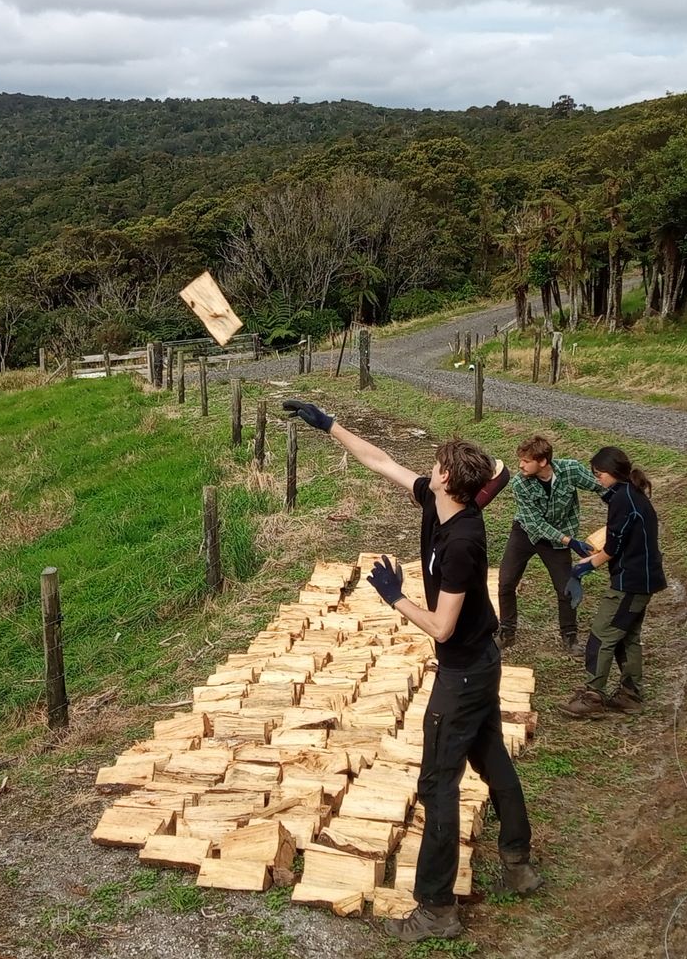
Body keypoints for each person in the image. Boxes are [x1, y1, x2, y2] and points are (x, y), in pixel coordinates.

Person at [280, 399, 541, 941]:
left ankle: (436, 910)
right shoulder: (438, 502)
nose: (427, 467)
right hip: (480, 664)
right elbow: (380, 460)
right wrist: (327, 423)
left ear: (448, 479)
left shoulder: (464, 540)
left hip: (464, 671)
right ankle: (518, 861)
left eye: (436, 463)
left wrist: (395, 598)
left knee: (438, 784)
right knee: (491, 755)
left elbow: (442, 627)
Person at [561, 446, 665, 719]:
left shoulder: (624, 500)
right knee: (626, 636)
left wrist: (582, 568)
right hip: (643, 579)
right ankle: (630, 695)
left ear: (613, 473)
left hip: (631, 582)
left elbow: (612, 547)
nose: (597, 480)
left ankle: (593, 695)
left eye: (599, 474)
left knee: (602, 634)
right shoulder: (630, 495)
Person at [499, 435, 602, 654]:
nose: (520, 465)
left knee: (566, 588)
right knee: (506, 582)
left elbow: (600, 486)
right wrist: (571, 541)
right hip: (526, 534)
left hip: (558, 539)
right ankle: (507, 632)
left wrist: (621, 507)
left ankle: (570, 637)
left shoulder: (570, 470)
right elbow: (535, 524)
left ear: (543, 461)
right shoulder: (519, 483)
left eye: (526, 461)